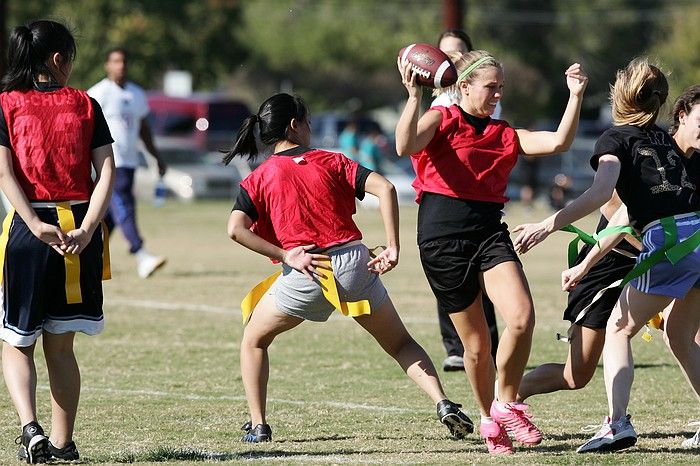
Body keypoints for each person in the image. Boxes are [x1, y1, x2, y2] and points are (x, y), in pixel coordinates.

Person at [225, 93, 474, 444]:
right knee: (401, 343)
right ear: (295, 126)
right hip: (356, 264)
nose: (310, 127)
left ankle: (258, 425)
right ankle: (443, 402)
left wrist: (286, 255)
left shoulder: (259, 177)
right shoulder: (330, 160)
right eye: (308, 121)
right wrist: (392, 246)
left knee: (254, 340)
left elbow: (235, 229)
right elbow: (385, 188)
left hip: (309, 271)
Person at [396, 50, 588, 453]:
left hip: (488, 232)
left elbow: (557, 141)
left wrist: (575, 95)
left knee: (522, 316)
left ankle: (506, 403)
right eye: (491, 87)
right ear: (464, 87)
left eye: (501, 87)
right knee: (477, 347)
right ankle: (488, 419)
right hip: (441, 240)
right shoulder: (443, 119)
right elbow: (404, 144)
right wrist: (414, 96)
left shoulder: (505, 133)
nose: (498, 94)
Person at [513, 61, 700, 453]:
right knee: (681, 336)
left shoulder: (615, 140)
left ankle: (616, 424)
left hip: (672, 241)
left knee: (618, 329)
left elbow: (601, 194)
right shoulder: (663, 141)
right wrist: (585, 263)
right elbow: (630, 208)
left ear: (619, 93)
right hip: (696, 235)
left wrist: (547, 225)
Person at [0, 20, 115, 463]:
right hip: (78, 231)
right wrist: (87, 230)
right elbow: (107, 170)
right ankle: (64, 446)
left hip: (31, 232)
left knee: (17, 341)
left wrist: (30, 220)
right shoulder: (86, 104)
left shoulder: (7, 104)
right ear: (57, 59)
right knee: (62, 348)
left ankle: (31, 430)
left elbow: (5, 172)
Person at [516, 192, 639, 402]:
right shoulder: (644, 161)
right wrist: (654, 252)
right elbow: (610, 207)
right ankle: (507, 395)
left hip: (657, 266)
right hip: (605, 266)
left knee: (684, 333)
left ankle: (617, 421)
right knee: (576, 376)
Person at [430, 29, 500, 371]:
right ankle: (455, 347)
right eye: (443, 54)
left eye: (457, 54)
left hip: (481, 205)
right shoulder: (438, 105)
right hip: (444, 208)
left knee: (487, 285)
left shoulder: (486, 95)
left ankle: (490, 348)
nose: (450, 60)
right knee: (452, 287)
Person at [88, 48, 167, 279]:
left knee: (108, 216)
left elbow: (143, 129)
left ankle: (91, 259)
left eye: (123, 61)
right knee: (124, 204)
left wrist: (155, 157)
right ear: (107, 65)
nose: (120, 65)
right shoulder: (98, 93)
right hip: (109, 161)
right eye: (115, 61)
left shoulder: (136, 94)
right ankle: (141, 254)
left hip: (129, 161)